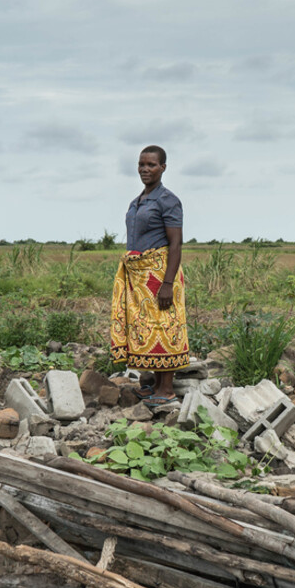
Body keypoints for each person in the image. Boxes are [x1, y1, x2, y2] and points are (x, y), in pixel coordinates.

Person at [110, 145, 189, 406]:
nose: (145, 169)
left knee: (164, 327)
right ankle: (156, 384)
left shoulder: (168, 200)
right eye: (141, 164)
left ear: (163, 168)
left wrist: (167, 284)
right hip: (139, 278)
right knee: (146, 327)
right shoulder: (138, 201)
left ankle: (167, 389)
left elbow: (175, 245)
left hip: (159, 274)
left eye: (151, 165)